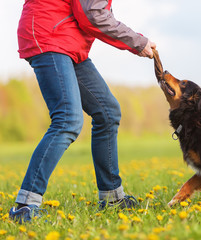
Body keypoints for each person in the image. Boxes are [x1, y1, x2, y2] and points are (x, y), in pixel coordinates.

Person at [9, 0, 156, 223]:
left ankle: (112, 197)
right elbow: (93, 15)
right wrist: (138, 42)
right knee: (68, 119)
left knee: (107, 111)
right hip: (50, 35)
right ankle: (25, 205)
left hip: (68, 42)